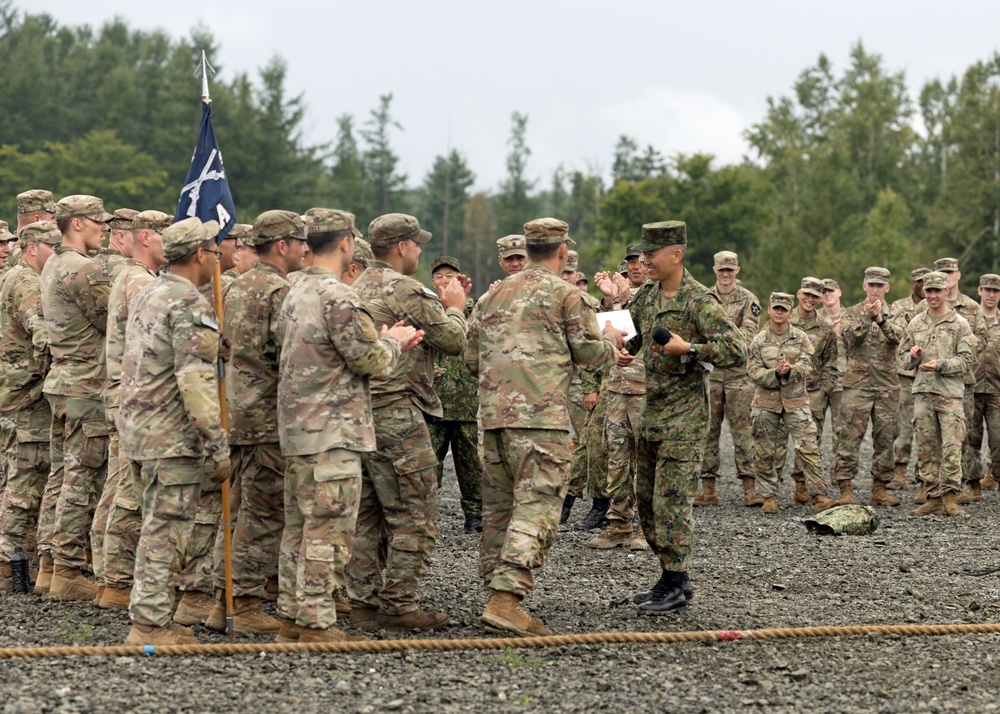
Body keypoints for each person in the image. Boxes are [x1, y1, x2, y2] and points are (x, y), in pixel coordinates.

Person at [466, 217, 622, 636]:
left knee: (499, 511)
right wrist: (612, 341)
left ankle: (494, 593)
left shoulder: (491, 295)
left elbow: (470, 357)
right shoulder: (567, 295)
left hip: (494, 420)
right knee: (537, 505)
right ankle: (506, 599)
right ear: (561, 253)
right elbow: (590, 355)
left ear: (529, 250)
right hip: (540, 421)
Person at [274, 208, 422, 643]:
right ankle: (317, 623)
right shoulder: (339, 296)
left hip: (298, 428)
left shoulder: (293, 289)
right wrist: (394, 342)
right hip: (332, 431)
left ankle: (292, 616)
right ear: (345, 243)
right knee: (329, 530)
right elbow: (369, 361)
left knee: (299, 529)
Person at [346, 213, 468, 631]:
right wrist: (455, 309)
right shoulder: (405, 289)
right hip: (396, 414)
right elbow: (452, 341)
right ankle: (399, 605)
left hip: (358, 414)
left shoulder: (354, 285)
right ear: (401, 247)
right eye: (416, 244)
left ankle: (361, 603)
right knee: (414, 513)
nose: (419, 250)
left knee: (366, 515)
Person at [119, 217, 230, 645]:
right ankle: (149, 624)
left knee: (155, 525)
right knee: (167, 530)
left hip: (140, 429)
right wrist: (216, 443)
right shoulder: (189, 303)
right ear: (201, 254)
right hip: (170, 436)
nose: (217, 261)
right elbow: (195, 380)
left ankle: (153, 617)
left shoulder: (150, 291)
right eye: (215, 253)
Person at [626, 221, 744, 613]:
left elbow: (736, 350)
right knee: (645, 502)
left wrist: (691, 348)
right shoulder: (647, 296)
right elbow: (634, 334)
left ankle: (677, 581)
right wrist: (622, 345)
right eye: (642, 255)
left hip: (686, 420)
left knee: (671, 503)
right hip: (653, 415)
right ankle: (668, 577)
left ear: (675, 255)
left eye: (651, 255)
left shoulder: (699, 300)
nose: (644, 261)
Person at [203, 210, 308, 634]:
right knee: (263, 514)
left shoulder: (234, 285)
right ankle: (242, 602)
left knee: (237, 510)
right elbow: (290, 353)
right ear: (282, 246)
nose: (305, 249)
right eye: (300, 241)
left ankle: (221, 598)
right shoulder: (281, 291)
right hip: (267, 417)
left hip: (235, 411)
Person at [92, 210, 172, 607]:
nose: (169, 242)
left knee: (119, 485)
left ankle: (111, 577)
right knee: (129, 491)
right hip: (135, 397)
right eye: (163, 235)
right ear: (145, 237)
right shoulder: (140, 280)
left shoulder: (133, 275)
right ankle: (118, 580)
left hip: (125, 395)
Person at [38, 195, 113, 601]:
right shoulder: (82, 269)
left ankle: (51, 565)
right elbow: (111, 320)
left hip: (66, 382)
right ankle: (66, 569)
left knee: (63, 476)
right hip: (86, 386)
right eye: (98, 222)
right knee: (81, 479)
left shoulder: (53, 263)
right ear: (78, 224)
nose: (105, 229)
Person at [0, 221, 59, 590]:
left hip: (17, 394)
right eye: (52, 246)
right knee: (24, 481)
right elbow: (43, 336)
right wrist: (52, 375)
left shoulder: (16, 276)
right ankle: (8, 562)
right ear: (33, 247)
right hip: (27, 396)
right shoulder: (26, 281)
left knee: (18, 477)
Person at [747, 292, 837, 514]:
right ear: (769, 310)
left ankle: (819, 496)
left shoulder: (800, 337)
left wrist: (792, 371)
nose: (779, 312)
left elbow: (809, 366)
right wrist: (775, 374)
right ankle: (769, 497)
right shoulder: (759, 340)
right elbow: (754, 372)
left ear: (790, 312)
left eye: (783, 309)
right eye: (775, 308)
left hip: (796, 402)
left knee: (809, 448)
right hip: (767, 403)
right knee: (765, 451)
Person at [589, 245, 649, 550]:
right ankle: (620, 522)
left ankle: (645, 528)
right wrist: (611, 300)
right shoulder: (618, 298)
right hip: (616, 387)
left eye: (640, 261)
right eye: (630, 263)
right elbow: (609, 334)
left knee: (644, 460)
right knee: (616, 458)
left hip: (644, 389)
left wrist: (624, 299)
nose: (635, 267)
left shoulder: (654, 295)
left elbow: (642, 335)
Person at [899, 271, 974, 517]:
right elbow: (902, 360)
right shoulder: (915, 323)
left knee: (952, 446)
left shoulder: (959, 324)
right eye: (928, 291)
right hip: (923, 393)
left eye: (936, 291)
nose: (932, 295)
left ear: (945, 292)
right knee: (926, 446)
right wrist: (913, 356)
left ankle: (950, 496)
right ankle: (932, 496)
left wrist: (939, 364)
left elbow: (966, 361)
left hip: (949, 394)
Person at [831, 267, 904, 507]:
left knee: (886, 439)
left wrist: (880, 319)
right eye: (871, 285)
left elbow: (900, 338)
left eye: (879, 286)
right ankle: (845, 490)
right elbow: (850, 337)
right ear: (864, 286)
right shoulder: (851, 313)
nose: (875, 290)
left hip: (887, 387)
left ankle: (879, 489)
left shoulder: (897, 312)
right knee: (848, 438)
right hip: (857, 386)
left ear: (887, 288)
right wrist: (866, 317)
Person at [697, 251, 762, 507]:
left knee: (744, 432)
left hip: (738, 375)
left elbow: (747, 337)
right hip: (711, 374)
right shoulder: (705, 298)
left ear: (737, 270)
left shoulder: (748, 300)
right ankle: (708, 488)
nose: (726, 274)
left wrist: (715, 345)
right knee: (708, 431)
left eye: (730, 270)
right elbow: (699, 330)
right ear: (714, 270)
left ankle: (750, 488)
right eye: (722, 270)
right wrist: (720, 345)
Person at [427, 255, 483, 533]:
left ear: (460, 279)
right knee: (427, 465)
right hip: (433, 404)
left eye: (450, 275)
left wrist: (463, 303)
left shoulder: (475, 308)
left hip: (468, 401)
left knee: (472, 465)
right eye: (439, 276)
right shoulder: (425, 310)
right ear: (432, 281)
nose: (445, 280)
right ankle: (424, 517)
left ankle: (475, 516)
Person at [774, 277, 838, 503]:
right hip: (782, 392)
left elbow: (831, 364)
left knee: (809, 445)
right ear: (799, 294)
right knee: (777, 443)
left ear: (821, 299)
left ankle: (802, 488)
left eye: (815, 296)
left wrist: (823, 393)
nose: (810, 299)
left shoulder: (825, 329)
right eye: (806, 294)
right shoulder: (781, 319)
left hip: (811, 394)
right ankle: (770, 493)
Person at [930, 258, 989, 502]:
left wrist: (959, 351)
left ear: (958, 275)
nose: (947, 276)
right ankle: (932, 486)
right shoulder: (927, 306)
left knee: (960, 434)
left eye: (950, 272)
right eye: (942, 272)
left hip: (962, 381)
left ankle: (957, 485)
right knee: (930, 435)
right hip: (931, 382)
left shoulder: (972, 308)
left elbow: (982, 338)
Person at [888, 268, 930, 489]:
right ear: (912, 283)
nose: (923, 286)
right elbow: (892, 333)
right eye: (919, 282)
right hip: (905, 376)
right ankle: (899, 471)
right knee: (903, 427)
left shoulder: (938, 307)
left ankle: (924, 476)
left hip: (929, 375)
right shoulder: (898, 307)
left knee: (927, 426)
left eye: (927, 282)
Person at [967, 274, 1000, 495]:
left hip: (997, 391)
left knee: (998, 439)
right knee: (971, 439)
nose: (991, 294)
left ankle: (995, 478)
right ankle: (973, 484)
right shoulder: (967, 321)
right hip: (972, 389)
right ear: (979, 291)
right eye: (987, 290)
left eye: (996, 291)